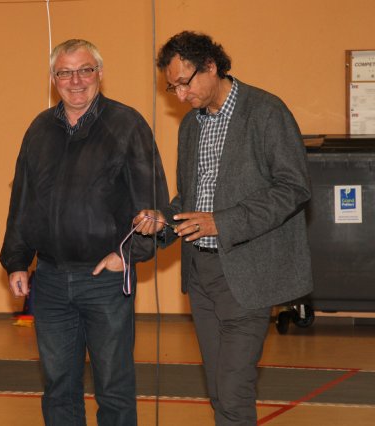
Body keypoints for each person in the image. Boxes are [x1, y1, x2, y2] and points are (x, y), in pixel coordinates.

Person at [134, 31, 313, 425]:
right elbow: (189, 198)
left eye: (185, 82)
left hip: (247, 273)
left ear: (211, 66)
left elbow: (294, 187)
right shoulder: (190, 126)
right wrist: (165, 219)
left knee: (232, 394)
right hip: (201, 275)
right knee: (219, 392)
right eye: (172, 87)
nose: (180, 95)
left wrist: (222, 221)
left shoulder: (266, 112)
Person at [0, 39, 169, 426]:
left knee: (114, 389)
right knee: (58, 389)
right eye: (65, 72)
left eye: (85, 70)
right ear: (53, 78)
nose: (75, 81)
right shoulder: (39, 130)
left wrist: (127, 255)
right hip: (50, 281)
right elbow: (23, 202)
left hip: (105, 281)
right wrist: (17, 260)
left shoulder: (127, 125)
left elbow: (154, 205)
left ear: (100, 74)